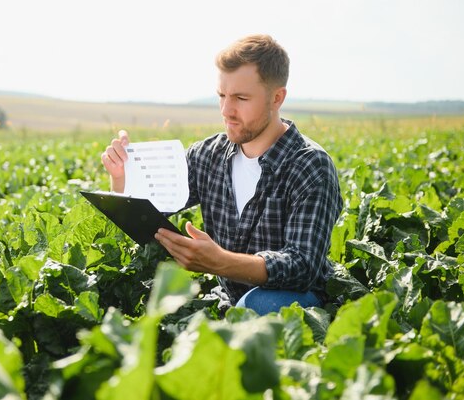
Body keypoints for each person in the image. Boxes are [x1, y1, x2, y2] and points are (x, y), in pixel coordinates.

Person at [101, 34, 343, 315]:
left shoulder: (311, 165)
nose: (227, 111)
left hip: (295, 302)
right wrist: (121, 177)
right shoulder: (207, 155)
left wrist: (220, 262)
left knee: (256, 306)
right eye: (221, 96)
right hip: (226, 297)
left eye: (241, 98)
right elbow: (149, 211)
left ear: (277, 98)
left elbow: (302, 267)